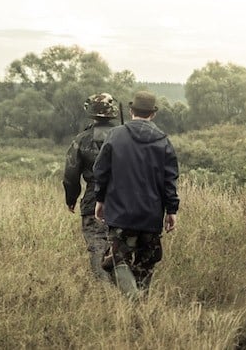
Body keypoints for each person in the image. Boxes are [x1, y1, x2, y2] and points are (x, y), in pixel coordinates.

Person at [93, 90, 179, 298]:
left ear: (131, 111)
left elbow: (101, 171)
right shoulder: (163, 141)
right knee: (145, 264)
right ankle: (140, 311)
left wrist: (100, 199)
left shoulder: (115, 135)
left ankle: (133, 300)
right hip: (151, 215)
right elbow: (170, 180)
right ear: (153, 114)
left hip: (121, 214)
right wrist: (171, 210)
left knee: (113, 260)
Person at [63, 93, 120, 282]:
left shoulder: (82, 139)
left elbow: (71, 175)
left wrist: (71, 199)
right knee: (120, 245)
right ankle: (125, 290)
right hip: (124, 200)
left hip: (92, 199)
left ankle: (106, 291)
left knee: (97, 244)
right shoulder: (124, 136)